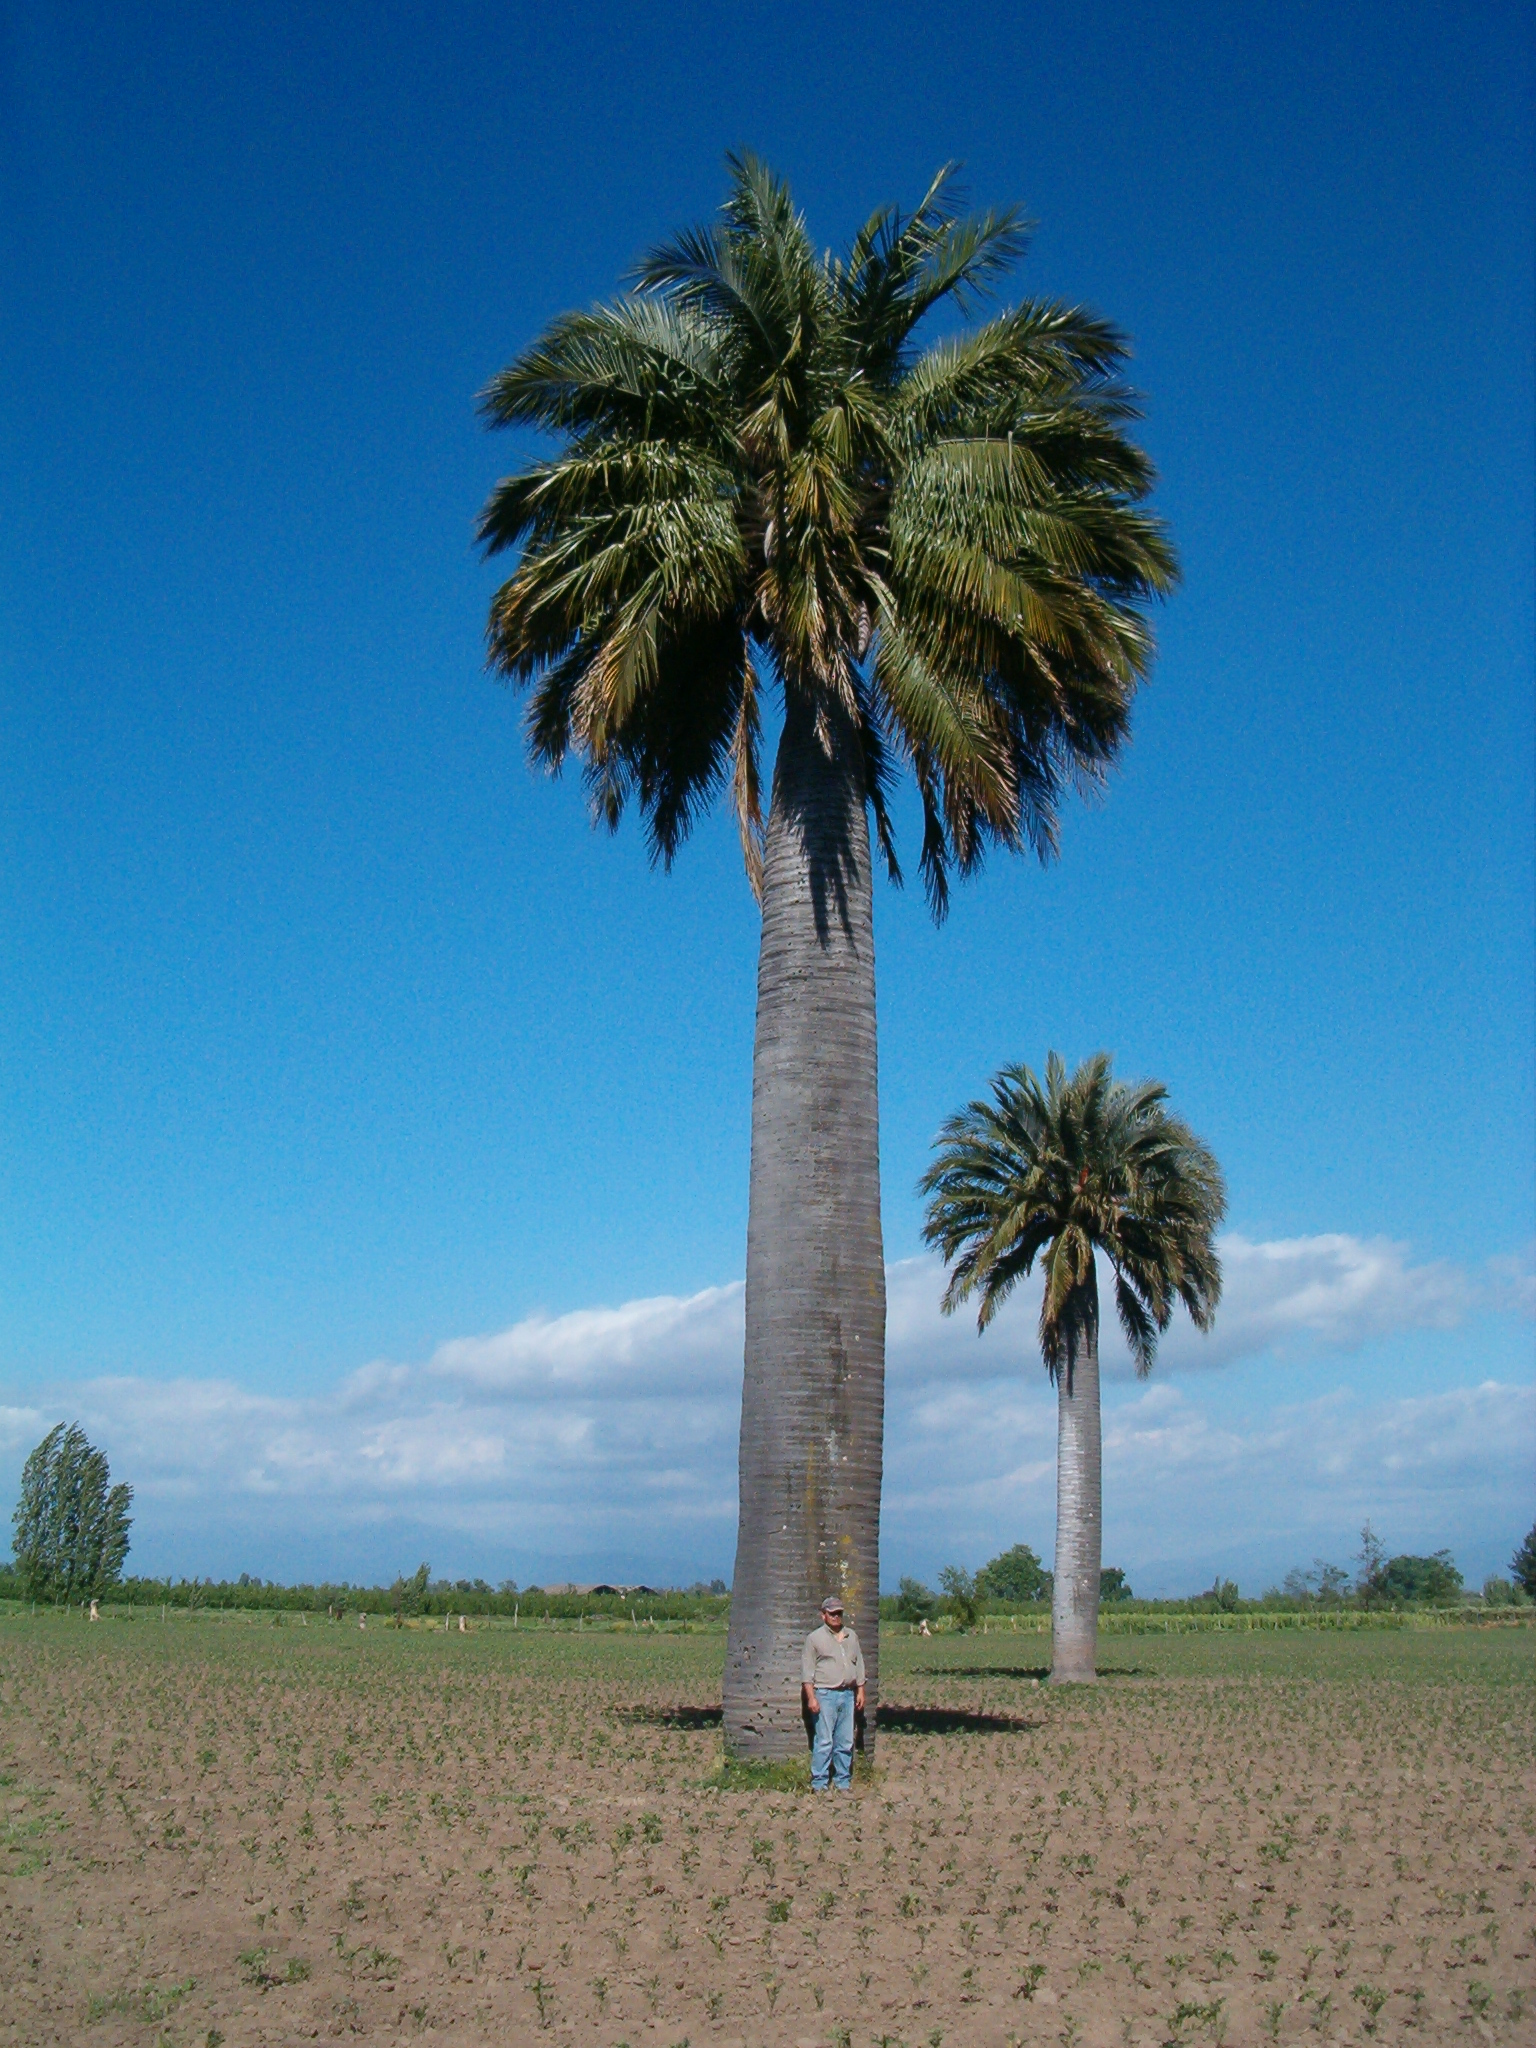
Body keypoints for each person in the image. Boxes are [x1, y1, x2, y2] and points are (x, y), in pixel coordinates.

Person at [801, 1596, 866, 1792]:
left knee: (845, 1741)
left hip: (847, 1694)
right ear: (823, 1615)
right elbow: (807, 1672)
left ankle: (842, 1781)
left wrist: (860, 1690)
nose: (836, 1617)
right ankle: (819, 1783)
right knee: (824, 1740)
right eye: (832, 1613)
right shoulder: (814, 1639)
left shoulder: (851, 1636)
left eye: (839, 1613)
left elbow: (859, 1664)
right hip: (825, 1694)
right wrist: (811, 1697)